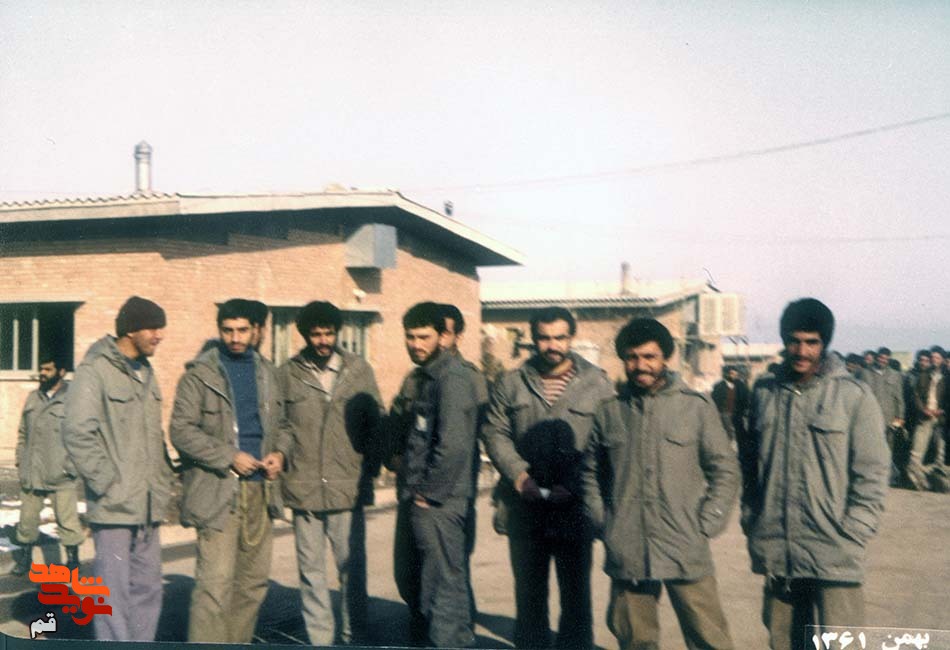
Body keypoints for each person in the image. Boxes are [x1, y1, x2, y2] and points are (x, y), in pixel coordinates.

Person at [738, 298, 888, 650]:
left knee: (843, 643)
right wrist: (752, 517)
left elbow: (872, 472)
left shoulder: (853, 396)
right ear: (784, 341)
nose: (802, 351)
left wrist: (854, 529)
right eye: (794, 341)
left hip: (835, 547)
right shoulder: (764, 393)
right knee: (784, 641)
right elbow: (749, 465)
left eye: (811, 342)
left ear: (824, 344)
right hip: (779, 547)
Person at [584, 318, 737, 650]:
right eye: (632, 357)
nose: (641, 366)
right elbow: (590, 473)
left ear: (666, 357)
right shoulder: (609, 412)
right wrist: (603, 520)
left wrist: (707, 522)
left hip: (684, 543)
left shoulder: (695, 408)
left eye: (649, 357)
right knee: (635, 640)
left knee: (710, 638)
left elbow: (725, 469)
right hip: (629, 546)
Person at [482, 306, 614, 649]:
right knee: (529, 599)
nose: (552, 345)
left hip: (574, 509)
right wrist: (519, 475)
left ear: (571, 337)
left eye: (559, 337)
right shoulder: (511, 382)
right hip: (526, 508)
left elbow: (606, 441)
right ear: (533, 338)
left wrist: (574, 483)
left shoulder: (598, 383)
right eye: (544, 338)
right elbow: (494, 431)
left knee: (576, 600)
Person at [169, 299, 291, 643]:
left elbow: (284, 425)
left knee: (252, 585)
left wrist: (280, 453)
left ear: (256, 331)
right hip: (219, 492)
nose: (235, 338)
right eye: (228, 330)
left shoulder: (269, 373)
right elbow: (181, 430)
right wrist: (229, 456)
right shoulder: (199, 375)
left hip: (262, 491)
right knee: (214, 588)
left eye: (242, 330)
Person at [63, 296, 174, 641]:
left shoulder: (146, 372)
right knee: (111, 594)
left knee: (149, 589)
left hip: (147, 504)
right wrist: (107, 483)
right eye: (152, 328)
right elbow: (77, 432)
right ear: (130, 330)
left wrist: (162, 480)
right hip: (114, 506)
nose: (159, 335)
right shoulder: (94, 370)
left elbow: (152, 437)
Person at [280, 301, 382, 645]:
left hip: (346, 488)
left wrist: (368, 473)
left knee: (352, 570)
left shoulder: (359, 370)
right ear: (305, 335)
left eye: (328, 333)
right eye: (316, 334)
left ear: (338, 333)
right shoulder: (288, 373)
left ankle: (356, 636)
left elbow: (375, 424)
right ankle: (320, 639)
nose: (323, 341)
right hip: (303, 487)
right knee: (311, 573)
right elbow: (281, 425)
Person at [388, 302, 481, 648]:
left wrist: (430, 494)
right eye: (410, 337)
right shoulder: (426, 377)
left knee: (443, 591)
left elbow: (454, 445)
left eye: (423, 337)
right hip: (422, 496)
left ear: (442, 337)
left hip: (440, 502)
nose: (415, 344)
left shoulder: (452, 378)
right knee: (428, 585)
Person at [437, 303, 489, 630]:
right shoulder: (418, 377)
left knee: (455, 566)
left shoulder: (471, 377)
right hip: (419, 491)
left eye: (445, 333)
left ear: (458, 336)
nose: (440, 340)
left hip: (458, 489)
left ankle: (461, 630)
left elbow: (483, 428)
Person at [12, 353, 84, 575]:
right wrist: (21, 460)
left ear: (61, 372)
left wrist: (70, 466)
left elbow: (81, 437)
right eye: (41, 369)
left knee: (67, 520)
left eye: (48, 370)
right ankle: (24, 560)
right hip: (33, 471)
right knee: (27, 520)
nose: (42, 374)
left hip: (60, 472)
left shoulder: (73, 400)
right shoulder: (33, 398)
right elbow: (23, 432)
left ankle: (72, 561)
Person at [856, 347, 905, 485]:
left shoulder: (895, 375)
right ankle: (868, 477)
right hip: (867, 417)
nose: (883, 360)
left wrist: (900, 417)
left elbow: (899, 398)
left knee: (887, 449)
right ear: (876, 358)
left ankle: (885, 477)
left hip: (888, 419)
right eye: (881, 358)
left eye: (885, 359)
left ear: (888, 360)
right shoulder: (864, 373)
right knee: (867, 448)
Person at [906, 346, 948, 488]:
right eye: (932, 358)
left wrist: (942, 410)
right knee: (917, 451)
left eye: (937, 358)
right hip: (924, 417)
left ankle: (937, 480)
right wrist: (923, 409)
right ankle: (915, 479)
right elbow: (916, 395)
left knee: (939, 453)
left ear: (942, 360)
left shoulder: (947, 378)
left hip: (941, 420)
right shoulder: (923, 375)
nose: (934, 360)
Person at [711, 365, 750, 441]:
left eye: (736, 374)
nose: (734, 376)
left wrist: (744, 410)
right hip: (724, 413)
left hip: (737, 414)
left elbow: (745, 398)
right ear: (727, 374)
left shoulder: (741, 386)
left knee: (739, 434)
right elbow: (714, 400)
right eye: (732, 374)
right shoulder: (719, 386)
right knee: (727, 434)